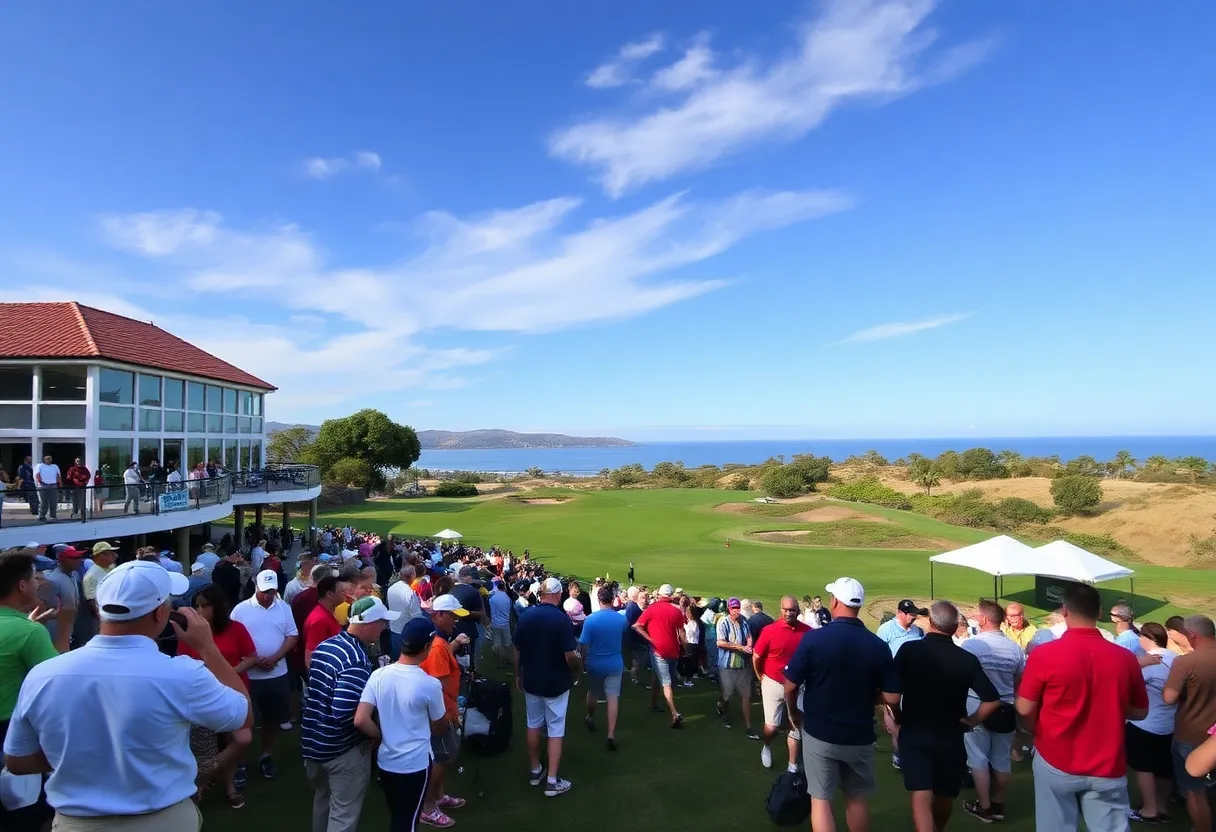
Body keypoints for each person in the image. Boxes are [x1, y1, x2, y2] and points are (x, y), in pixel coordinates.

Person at [3, 560, 251, 831]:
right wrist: (207, 647)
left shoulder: (43, 675)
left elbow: (17, 760)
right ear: (160, 613)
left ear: (99, 609)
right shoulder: (183, 674)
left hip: (77, 823)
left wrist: (82, 755)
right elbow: (242, 715)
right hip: (163, 820)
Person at [1016, 583, 1148, 831]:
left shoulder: (1045, 655)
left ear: (1064, 611)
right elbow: (1140, 711)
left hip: (1056, 757)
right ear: (1099, 612)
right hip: (1107, 764)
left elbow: (1024, 709)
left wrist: (1035, 730)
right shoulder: (1125, 658)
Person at [783, 578, 893, 832]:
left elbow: (790, 686)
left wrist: (793, 714)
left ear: (834, 602)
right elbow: (892, 697)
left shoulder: (814, 639)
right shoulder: (878, 645)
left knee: (820, 800)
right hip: (860, 734)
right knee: (856, 797)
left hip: (820, 732)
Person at [883, 601, 1000, 832]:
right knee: (944, 794)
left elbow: (892, 696)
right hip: (951, 735)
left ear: (931, 622)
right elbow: (992, 699)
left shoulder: (910, 650)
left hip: (916, 731)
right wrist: (972, 721)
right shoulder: (966, 659)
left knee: (921, 794)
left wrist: (896, 716)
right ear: (955, 626)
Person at [302, 596, 398, 832]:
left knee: (323, 800)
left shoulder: (328, 645)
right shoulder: (355, 659)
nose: (385, 627)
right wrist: (377, 735)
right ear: (367, 624)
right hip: (341, 750)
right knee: (343, 816)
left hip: (314, 745)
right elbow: (346, 714)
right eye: (382, 622)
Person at [355, 617, 448, 832]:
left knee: (399, 816)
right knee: (407, 823)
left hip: (386, 762)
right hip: (415, 765)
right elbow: (440, 726)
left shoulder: (378, 675)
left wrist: (381, 737)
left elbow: (361, 719)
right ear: (426, 647)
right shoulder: (430, 684)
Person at [180, 584, 256, 808]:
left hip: (233, 694)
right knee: (202, 747)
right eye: (196, 606)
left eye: (205, 605)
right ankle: (204, 784)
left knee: (242, 740)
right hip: (201, 698)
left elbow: (251, 656)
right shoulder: (190, 634)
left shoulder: (236, 628)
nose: (200, 610)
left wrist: (227, 673)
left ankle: (216, 781)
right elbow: (184, 664)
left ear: (218, 606)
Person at [957, 600, 1025, 823]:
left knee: (978, 758)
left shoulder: (970, 645)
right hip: (1006, 708)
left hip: (977, 706)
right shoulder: (1015, 649)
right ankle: (997, 803)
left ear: (984, 620)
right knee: (1001, 760)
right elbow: (1019, 680)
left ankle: (985, 806)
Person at [514, 576, 580, 797]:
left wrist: (517, 675)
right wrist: (577, 672)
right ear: (558, 594)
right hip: (556, 682)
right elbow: (570, 655)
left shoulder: (527, 615)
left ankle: (535, 770)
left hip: (531, 679)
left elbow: (518, 650)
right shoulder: (561, 620)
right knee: (555, 729)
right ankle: (551, 780)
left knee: (532, 723)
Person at [231, 569, 299, 780]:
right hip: (249, 676)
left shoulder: (284, 607)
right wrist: (253, 660)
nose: (268, 596)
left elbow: (292, 635)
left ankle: (266, 755)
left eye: (272, 591)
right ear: (257, 588)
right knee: (243, 721)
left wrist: (276, 657)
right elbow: (232, 640)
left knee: (272, 719)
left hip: (277, 675)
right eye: (264, 591)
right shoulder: (240, 610)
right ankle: (240, 762)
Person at [420, 594, 471, 826]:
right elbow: (438, 687)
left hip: (444, 710)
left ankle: (438, 797)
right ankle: (427, 806)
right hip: (441, 713)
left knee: (447, 755)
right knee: (443, 757)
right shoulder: (438, 646)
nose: (455, 621)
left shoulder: (440, 641)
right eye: (451, 616)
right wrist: (451, 714)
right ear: (439, 615)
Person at [1163, 614, 1216, 832]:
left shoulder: (1185, 662)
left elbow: (1169, 698)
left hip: (1191, 736)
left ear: (1192, 635)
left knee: (1194, 791)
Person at [1125, 622, 1176, 824]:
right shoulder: (1177, 659)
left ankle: (1149, 809)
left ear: (1147, 638)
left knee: (1144, 767)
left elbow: (1128, 685)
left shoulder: (1148, 663)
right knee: (1164, 767)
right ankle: (1161, 807)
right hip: (1169, 724)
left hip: (1145, 723)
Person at [753, 595, 809, 771]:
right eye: (786, 610)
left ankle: (792, 765)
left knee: (796, 724)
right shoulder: (769, 630)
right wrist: (760, 676)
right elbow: (756, 657)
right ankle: (766, 745)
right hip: (773, 682)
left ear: (797, 611)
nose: (788, 613)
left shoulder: (808, 632)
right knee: (772, 726)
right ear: (781, 610)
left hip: (798, 685)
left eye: (792, 610)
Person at [580, 584, 629, 750]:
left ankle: (590, 716)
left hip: (595, 662)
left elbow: (584, 644)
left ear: (599, 600)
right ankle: (611, 734)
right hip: (615, 662)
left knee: (593, 692)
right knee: (613, 697)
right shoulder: (621, 618)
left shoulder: (591, 619)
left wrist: (584, 661)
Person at [634, 583, 686, 729]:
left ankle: (654, 704)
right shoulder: (676, 611)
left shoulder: (652, 608)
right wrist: (687, 648)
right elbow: (682, 633)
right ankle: (674, 713)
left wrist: (649, 638)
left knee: (660, 678)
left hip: (658, 650)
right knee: (668, 682)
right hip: (672, 650)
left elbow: (637, 625)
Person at [715, 597, 758, 738]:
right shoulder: (723, 622)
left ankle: (748, 726)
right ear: (729, 609)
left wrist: (749, 644)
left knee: (746, 695)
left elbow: (749, 637)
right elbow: (720, 643)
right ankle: (723, 709)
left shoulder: (744, 622)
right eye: (733, 608)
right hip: (726, 665)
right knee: (727, 695)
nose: (736, 611)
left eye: (737, 608)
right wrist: (741, 647)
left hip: (741, 665)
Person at [303, 575, 348, 672]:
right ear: (329, 594)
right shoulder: (320, 620)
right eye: (342, 591)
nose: (345, 594)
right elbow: (310, 656)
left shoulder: (326, 613)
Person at [44, 546, 85, 653]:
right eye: (76, 558)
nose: (80, 561)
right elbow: (49, 609)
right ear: (66, 560)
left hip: (70, 625)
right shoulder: (52, 580)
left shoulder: (74, 575)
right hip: (56, 628)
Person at [387, 564, 422, 659]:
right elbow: (417, 615)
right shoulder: (409, 592)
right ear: (412, 575)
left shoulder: (391, 588)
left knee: (396, 658)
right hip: (406, 631)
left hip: (394, 628)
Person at [487, 578, 514, 668]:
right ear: (504, 588)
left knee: (497, 644)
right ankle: (510, 659)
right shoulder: (507, 598)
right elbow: (510, 612)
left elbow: (490, 609)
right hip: (505, 623)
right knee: (506, 644)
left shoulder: (492, 597)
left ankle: (499, 663)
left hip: (495, 623)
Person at [33, 454, 62, 521]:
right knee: (43, 502)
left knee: (53, 501)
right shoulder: (40, 466)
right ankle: (42, 516)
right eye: (47, 458)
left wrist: (60, 485)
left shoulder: (55, 466)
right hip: (43, 486)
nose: (49, 460)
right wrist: (41, 482)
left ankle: (53, 515)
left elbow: (58, 476)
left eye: (50, 458)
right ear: (44, 459)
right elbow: (37, 475)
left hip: (53, 485)